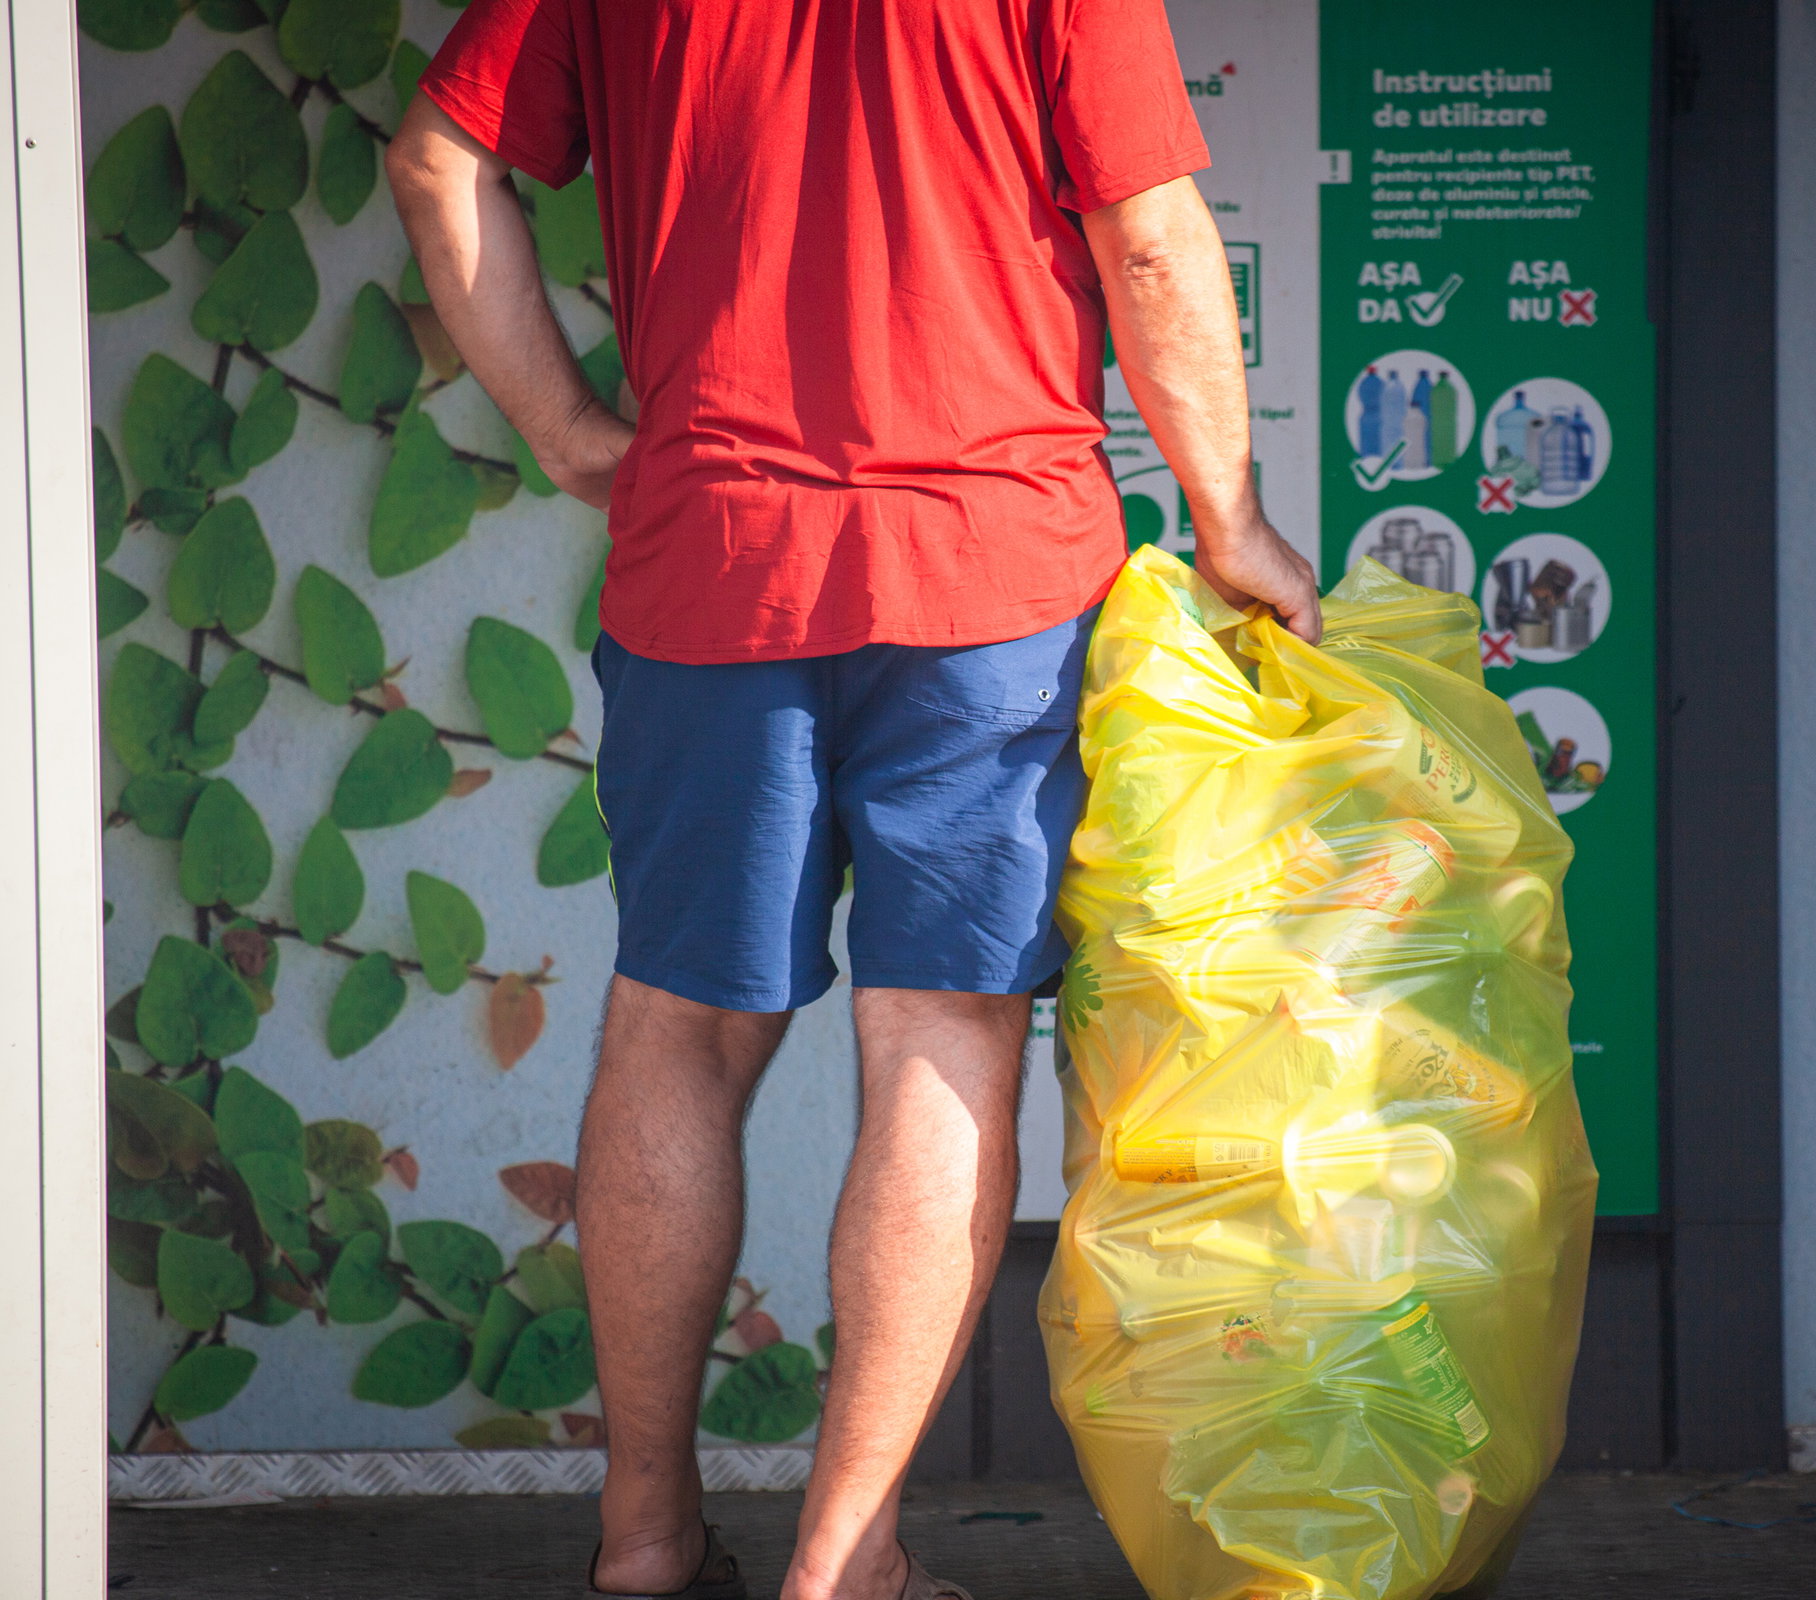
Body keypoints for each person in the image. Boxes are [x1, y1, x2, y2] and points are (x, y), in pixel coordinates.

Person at [387, 3, 1320, 1596]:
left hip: (711, 569)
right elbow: (1150, 239)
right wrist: (1230, 522)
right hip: (991, 582)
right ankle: (844, 1566)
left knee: (677, 1023)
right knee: (942, 1036)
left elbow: (437, 160)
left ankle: (644, 1541)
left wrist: (564, 430)